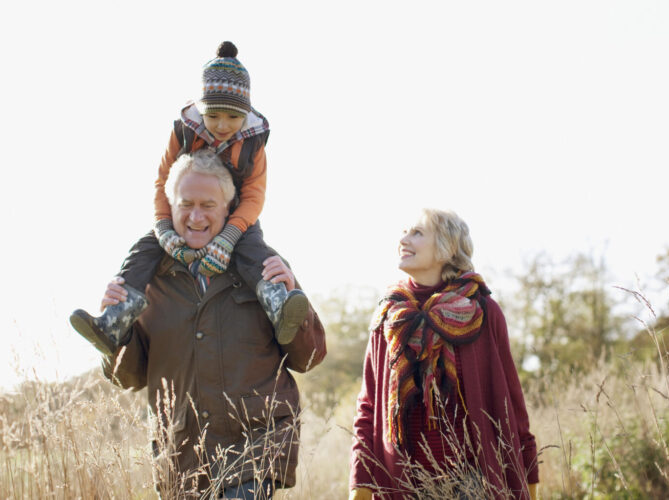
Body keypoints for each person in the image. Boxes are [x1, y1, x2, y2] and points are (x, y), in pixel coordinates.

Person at [100, 150, 326, 498]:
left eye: (208, 204)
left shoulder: (262, 268)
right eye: (186, 203)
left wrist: (295, 295)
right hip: (181, 458)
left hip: (254, 450)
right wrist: (116, 334)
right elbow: (127, 377)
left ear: (229, 208)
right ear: (169, 206)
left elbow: (309, 358)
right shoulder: (147, 282)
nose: (195, 216)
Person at [70, 40, 307, 356]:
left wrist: (230, 235)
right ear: (202, 109)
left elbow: (254, 196)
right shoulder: (184, 131)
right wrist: (164, 227)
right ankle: (114, 320)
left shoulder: (254, 143)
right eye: (214, 116)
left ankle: (278, 305)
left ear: (246, 113)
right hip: (178, 218)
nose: (223, 126)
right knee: (142, 252)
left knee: (255, 253)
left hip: (237, 218)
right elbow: (162, 183)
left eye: (232, 118)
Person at [349, 209, 539, 499]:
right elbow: (368, 408)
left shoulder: (484, 312)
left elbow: (511, 403)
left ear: (447, 248)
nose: (404, 239)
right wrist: (359, 485)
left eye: (417, 233)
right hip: (403, 484)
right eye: (403, 231)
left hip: (473, 484)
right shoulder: (389, 317)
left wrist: (528, 477)